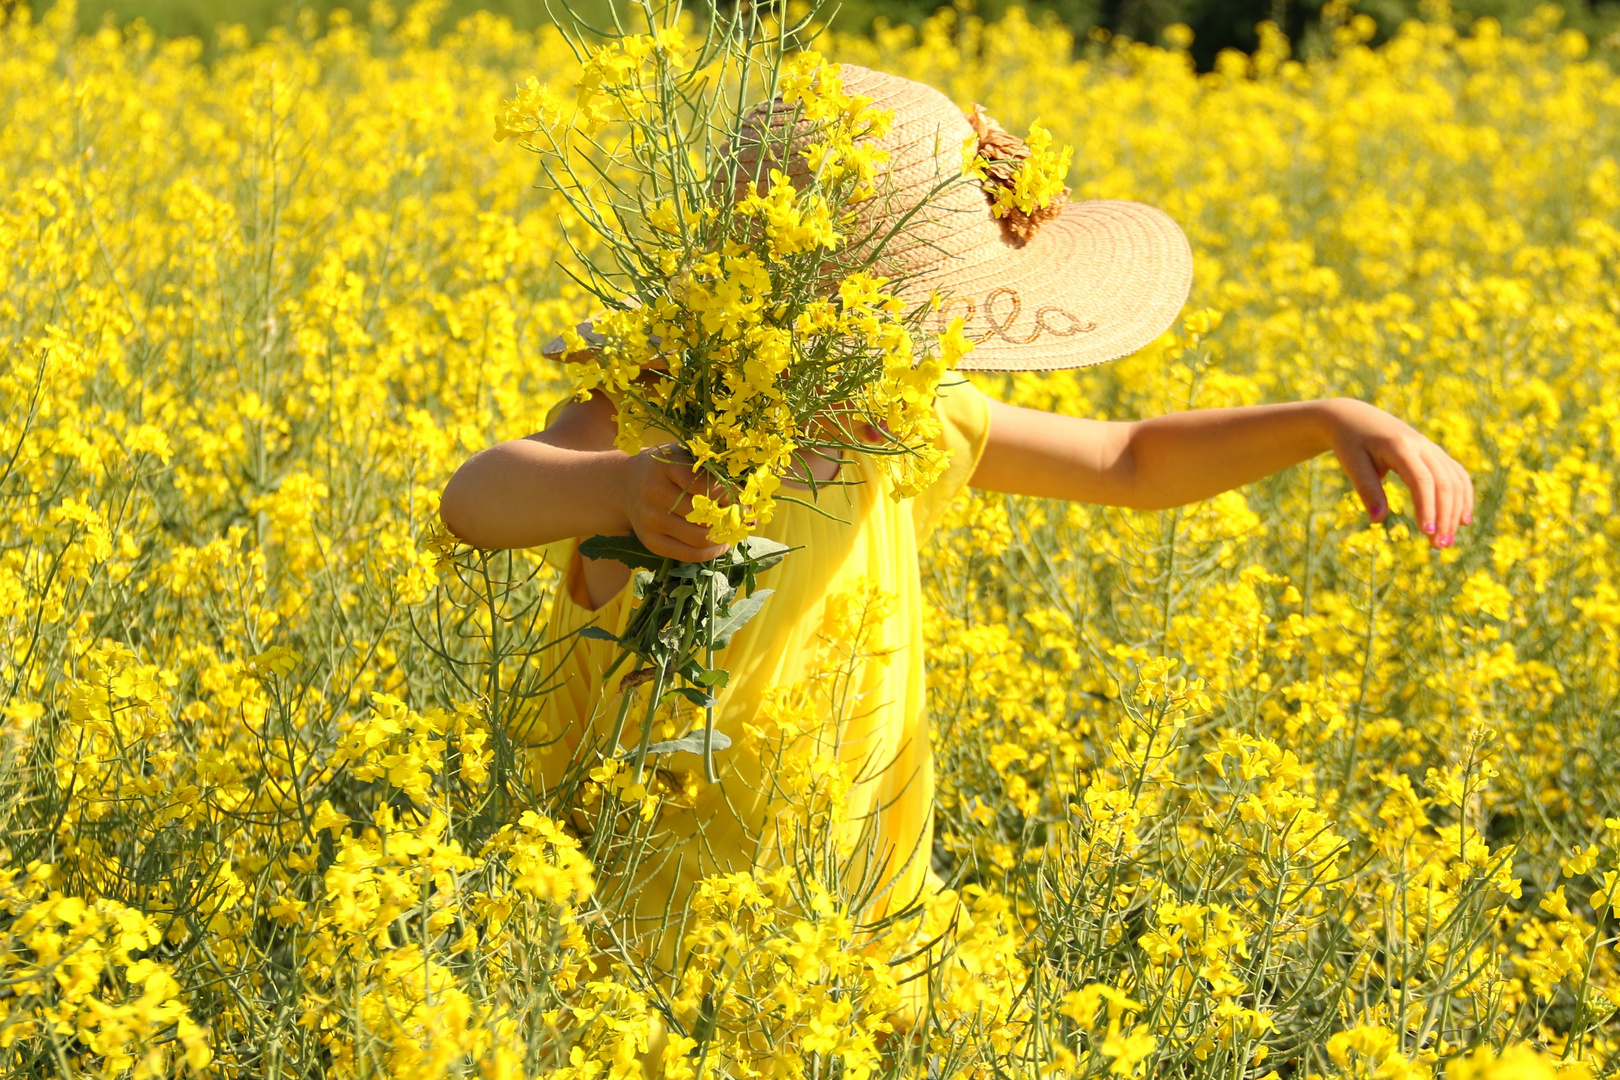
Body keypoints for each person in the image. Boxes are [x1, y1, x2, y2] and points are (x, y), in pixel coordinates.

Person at [438, 65, 1472, 974]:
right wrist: (621, 490)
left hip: (862, 924)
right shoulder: (647, 418)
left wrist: (1324, 420)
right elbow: (478, 501)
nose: (942, 349)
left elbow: (1130, 459)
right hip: (650, 943)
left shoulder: (902, 417)